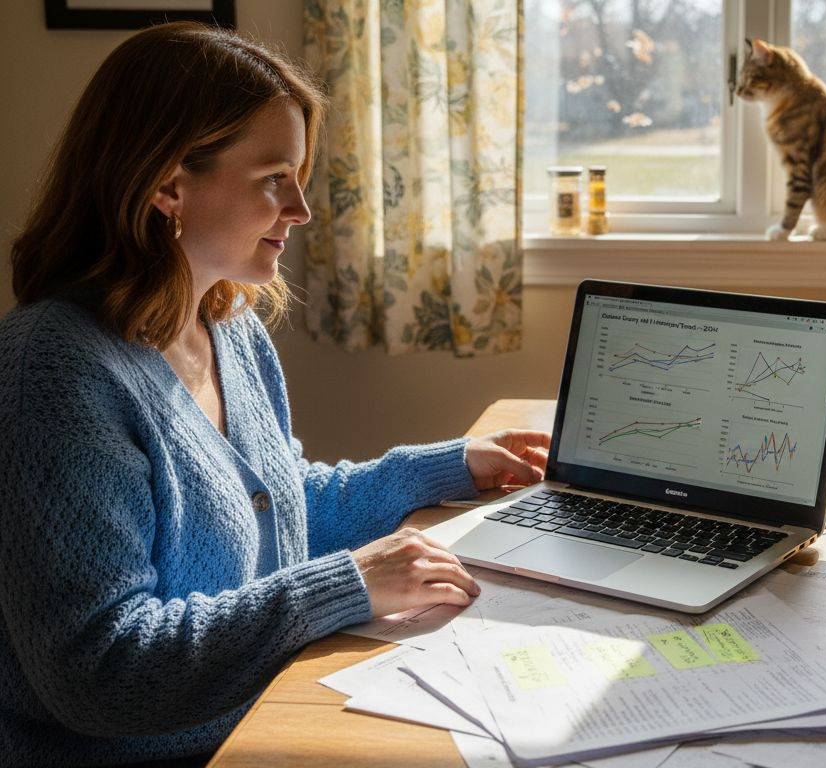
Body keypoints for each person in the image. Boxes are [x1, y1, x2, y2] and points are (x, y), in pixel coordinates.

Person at [0, 22, 548, 766]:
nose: (302, 209)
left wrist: (442, 467)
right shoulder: (56, 372)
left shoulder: (227, 321)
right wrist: (346, 586)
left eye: (298, 176)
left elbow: (275, 512)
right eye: (272, 180)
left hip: (258, 718)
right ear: (167, 185)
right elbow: (101, 671)